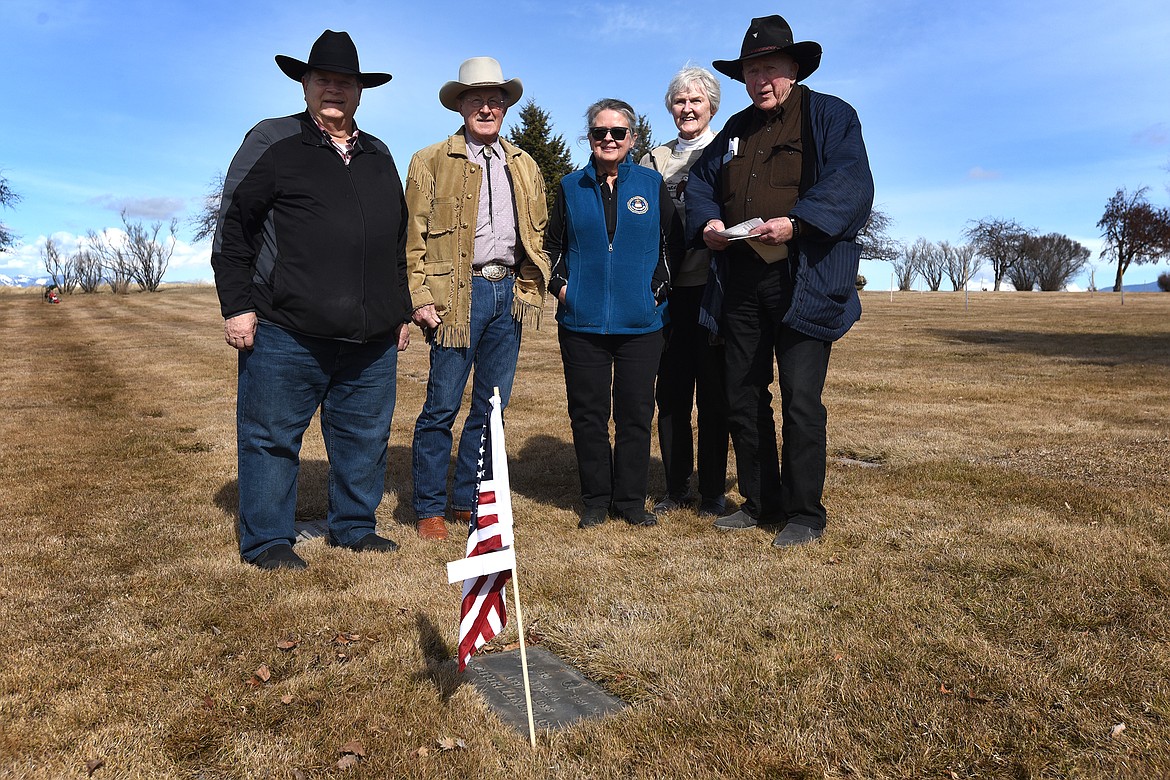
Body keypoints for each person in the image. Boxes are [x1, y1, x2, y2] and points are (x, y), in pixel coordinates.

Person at [211, 30, 410, 570]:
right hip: (285, 328)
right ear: (304, 83)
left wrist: (399, 308)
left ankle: (354, 527)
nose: (334, 90)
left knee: (364, 437)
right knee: (272, 438)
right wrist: (237, 306)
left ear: (360, 92)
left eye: (345, 83)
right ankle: (269, 539)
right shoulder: (273, 141)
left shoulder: (378, 153)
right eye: (323, 79)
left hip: (370, 339)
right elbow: (235, 228)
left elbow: (395, 239)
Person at [686, 15, 874, 547]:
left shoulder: (831, 116)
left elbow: (852, 182)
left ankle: (804, 513)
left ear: (793, 68)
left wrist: (797, 222)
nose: (759, 79)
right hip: (741, 281)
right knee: (743, 392)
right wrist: (709, 225)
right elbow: (702, 183)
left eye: (769, 67)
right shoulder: (735, 129)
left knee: (800, 398)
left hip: (803, 278)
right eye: (750, 71)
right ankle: (760, 499)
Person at [406, 58, 549, 541]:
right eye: (476, 99)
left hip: (508, 291)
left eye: (494, 100)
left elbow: (538, 231)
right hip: (455, 297)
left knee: (491, 408)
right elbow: (412, 239)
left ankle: (469, 501)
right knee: (441, 406)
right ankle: (428, 508)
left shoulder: (524, 165)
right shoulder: (429, 160)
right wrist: (419, 296)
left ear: (505, 107)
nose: (486, 107)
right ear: (460, 105)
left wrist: (531, 282)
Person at [546, 99, 683, 529]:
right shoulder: (570, 187)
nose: (609, 139)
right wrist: (564, 290)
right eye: (600, 132)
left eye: (618, 133)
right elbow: (550, 247)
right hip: (581, 323)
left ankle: (629, 501)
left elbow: (673, 245)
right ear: (589, 138)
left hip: (641, 324)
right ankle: (595, 499)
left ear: (632, 138)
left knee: (634, 414)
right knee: (587, 415)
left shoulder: (651, 183)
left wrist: (656, 291)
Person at [639, 66, 730, 519]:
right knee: (671, 394)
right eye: (680, 101)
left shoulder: (728, 154)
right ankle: (677, 486)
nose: (687, 109)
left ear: (712, 106)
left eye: (696, 101)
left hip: (713, 292)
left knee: (715, 394)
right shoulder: (653, 160)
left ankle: (713, 489)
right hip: (668, 293)